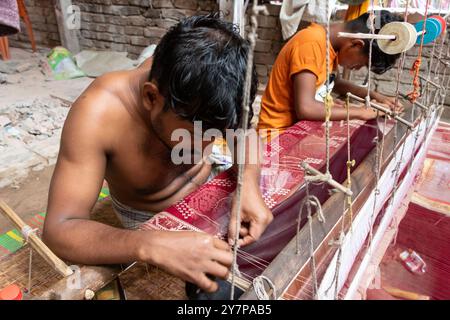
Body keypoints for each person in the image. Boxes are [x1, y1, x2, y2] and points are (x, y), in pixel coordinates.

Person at [42, 13, 273, 295]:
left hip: (210, 185)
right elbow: (59, 228)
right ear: (151, 98)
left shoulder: (207, 90)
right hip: (150, 216)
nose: (205, 147)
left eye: (215, 134)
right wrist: (150, 244)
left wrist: (247, 183)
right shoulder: (98, 114)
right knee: (221, 289)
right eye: (196, 135)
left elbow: (244, 133)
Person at [258, 10, 405, 136]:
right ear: (356, 44)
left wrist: (376, 97)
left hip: (301, 129)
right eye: (363, 63)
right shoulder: (311, 44)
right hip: (278, 134)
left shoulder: (331, 46)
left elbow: (335, 82)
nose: (358, 68)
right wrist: (360, 111)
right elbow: (306, 108)